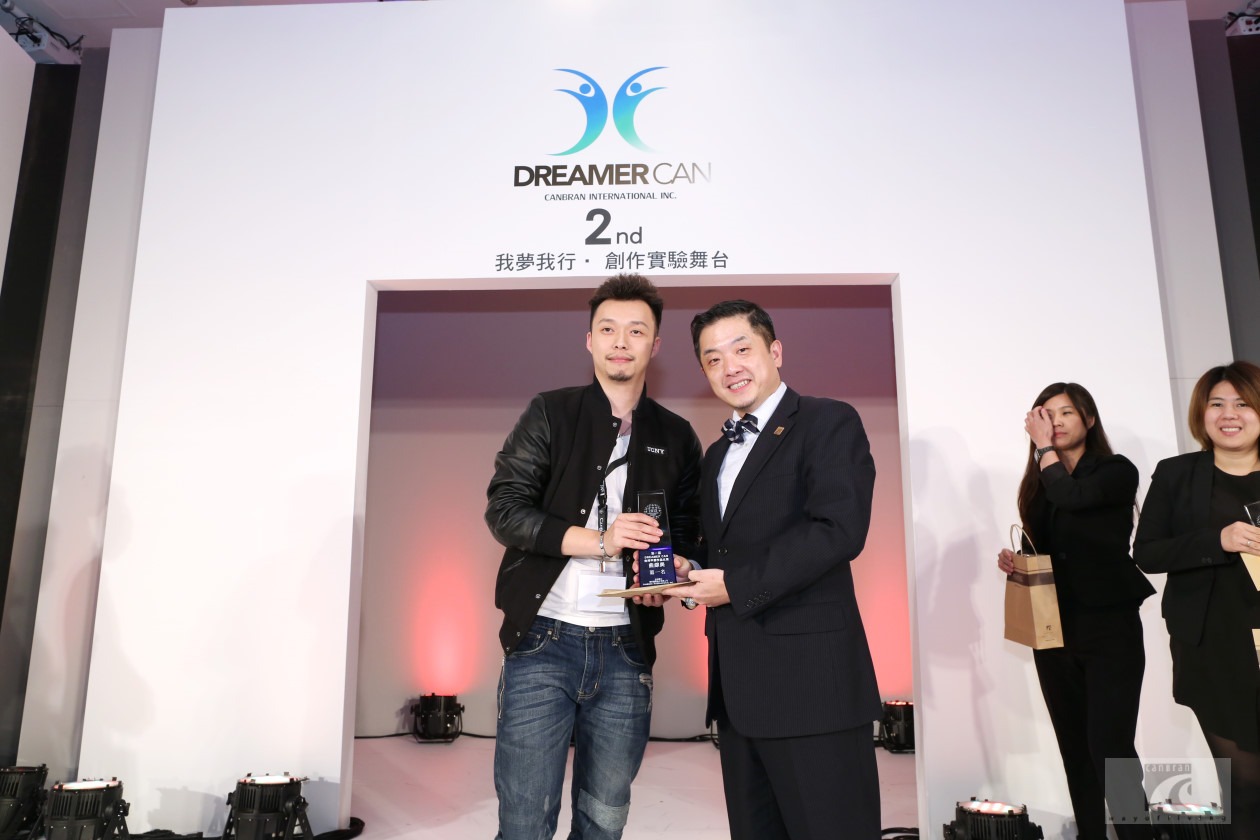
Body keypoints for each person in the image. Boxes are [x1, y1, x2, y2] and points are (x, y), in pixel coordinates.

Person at [484, 274, 702, 840]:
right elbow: (504, 510)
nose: (620, 341)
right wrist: (601, 540)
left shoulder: (677, 435)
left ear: (656, 345)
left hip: (627, 650)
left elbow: (690, 536)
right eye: (608, 329)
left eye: (636, 330)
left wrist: (675, 574)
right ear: (589, 340)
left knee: (604, 822)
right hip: (542, 640)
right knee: (524, 824)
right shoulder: (550, 413)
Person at [673, 299, 882, 840]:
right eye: (713, 359)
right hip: (738, 695)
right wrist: (686, 569)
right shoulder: (716, 455)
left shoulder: (827, 421)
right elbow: (721, 552)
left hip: (814, 690)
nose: (729, 367)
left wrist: (734, 586)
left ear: (776, 351)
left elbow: (839, 529)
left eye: (742, 349)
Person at [996, 383, 1154, 840]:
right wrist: (1018, 560)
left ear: (1089, 419)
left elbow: (1076, 498)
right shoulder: (1037, 484)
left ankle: (1136, 835)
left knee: (1111, 746)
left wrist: (1043, 449)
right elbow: (1047, 544)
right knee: (1075, 746)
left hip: (1109, 625)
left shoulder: (1115, 470)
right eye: (1047, 414)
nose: (1057, 422)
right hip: (1053, 627)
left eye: (1066, 412)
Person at [1135, 361, 1260, 838]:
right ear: (1201, 413)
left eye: (1243, 404)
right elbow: (1147, 553)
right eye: (1217, 404)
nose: (1229, 414)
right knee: (1247, 785)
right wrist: (1217, 541)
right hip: (1214, 646)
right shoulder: (1177, 474)